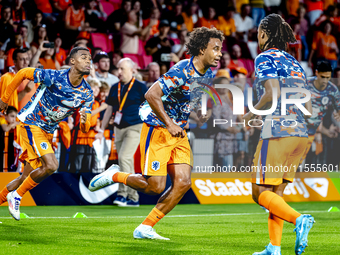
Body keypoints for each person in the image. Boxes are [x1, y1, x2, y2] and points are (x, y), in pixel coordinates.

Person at [89, 27, 223, 239]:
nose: (220, 53)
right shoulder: (182, 70)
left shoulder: (207, 74)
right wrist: (169, 123)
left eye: (220, 49)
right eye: (215, 49)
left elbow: (187, 102)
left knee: (183, 183)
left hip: (178, 132)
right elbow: (152, 94)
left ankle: (145, 227)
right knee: (154, 186)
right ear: (201, 49)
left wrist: (198, 115)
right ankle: (114, 175)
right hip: (158, 127)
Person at [242, 14, 314, 255]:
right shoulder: (295, 63)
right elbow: (310, 107)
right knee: (277, 194)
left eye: (260, 33)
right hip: (300, 133)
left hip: (277, 132)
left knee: (259, 193)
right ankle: (274, 247)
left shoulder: (264, 57)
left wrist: (250, 114)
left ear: (264, 33)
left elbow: (271, 93)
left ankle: (299, 219)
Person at [0, 46, 94, 220]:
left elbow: (84, 129)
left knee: (25, 177)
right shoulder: (54, 76)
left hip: (48, 132)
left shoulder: (87, 93)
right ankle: (17, 196)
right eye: (84, 57)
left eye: (90, 58)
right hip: (31, 123)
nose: (89, 60)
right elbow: (22, 73)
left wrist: (84, 121)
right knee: (51, 165)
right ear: (72, 61)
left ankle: (7, 196)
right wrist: (4, 99)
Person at [95, 58, 148, 207]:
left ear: (132, 70)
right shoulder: (114, 87)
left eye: (122, 69)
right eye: (118, 69)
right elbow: (109, 110)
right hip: (118, 128)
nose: (118, 72)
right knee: (126, 161)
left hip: (135, 127)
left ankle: (122, 195)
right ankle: (134, 197)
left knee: (124, 157)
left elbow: (151, 105)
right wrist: (101, 129)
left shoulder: (140, 87)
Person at [300, 61, 340, 164]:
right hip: (297, 129)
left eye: (328, 77)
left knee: (300, 161)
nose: (325, 81)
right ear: (316, 73)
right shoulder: (305, 84)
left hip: (313, 131)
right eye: (323, 77)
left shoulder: (333, 90)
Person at [0, 106, 20, 172]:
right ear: (5, 116)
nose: (14, 119)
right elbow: (6, 128)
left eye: (15, 117)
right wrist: (13, 124)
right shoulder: (2, 119)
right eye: (12, 116)